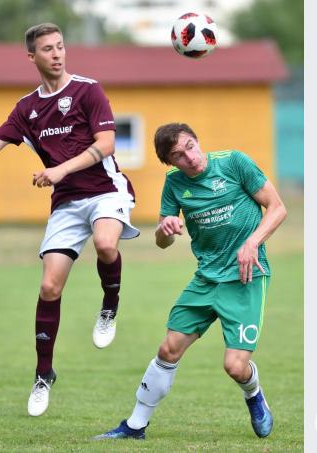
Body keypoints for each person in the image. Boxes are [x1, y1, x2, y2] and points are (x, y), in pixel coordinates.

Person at [0, 23, 138, 417]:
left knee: (106, 244)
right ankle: (43, 373)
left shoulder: (88, 90)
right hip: (66, 203)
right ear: (32, 56)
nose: (57, 54)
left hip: (105, 190)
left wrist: (59, 170)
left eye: (60, 46)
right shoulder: (27, 108)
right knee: (49, 286)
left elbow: (106, 144)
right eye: (47, 49)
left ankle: (109, 306)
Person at [95, 123, 287, 440]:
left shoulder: (234, 162)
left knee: (235, 367)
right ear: (170, 162)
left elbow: (277, 208)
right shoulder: (174, 183)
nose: (190, 157)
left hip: (246, 276)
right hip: (206, 278)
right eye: (178, 155)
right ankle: (135, 426)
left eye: (190, 146)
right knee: (168, 348)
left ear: (197, 141)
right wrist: (165, 229)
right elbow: (162, 242)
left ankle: (253, 394)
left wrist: (252, 242)